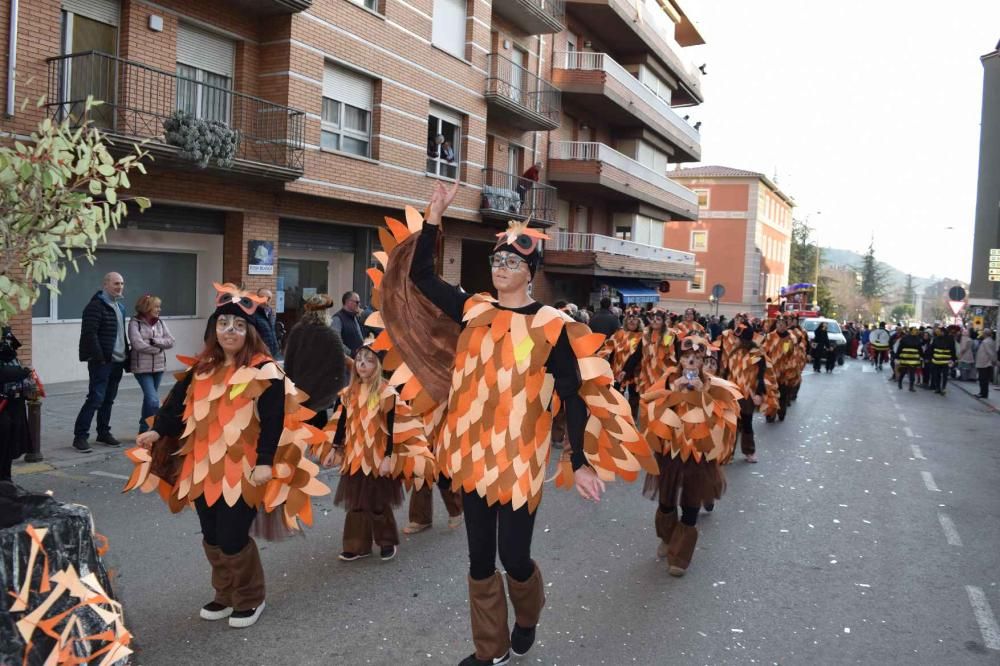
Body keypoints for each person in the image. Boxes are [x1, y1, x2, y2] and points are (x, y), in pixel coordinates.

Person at [379, 182, 656, 665]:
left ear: (531, 272)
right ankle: (491, 649)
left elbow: (572, 396)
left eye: (512, 263)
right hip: (471, 455)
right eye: (497, 261)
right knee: (479, 559)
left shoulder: (553, 326)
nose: (501, 269)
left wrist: (581, 460)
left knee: (514, 558)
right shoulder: (473, 309)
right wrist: (434, 220)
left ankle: (527, 615)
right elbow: (421, 277)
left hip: (520, 459)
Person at [125, 283, 331, 629]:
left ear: (250, 331)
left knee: (233, 535)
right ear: (214, 329)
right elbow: (176, 405)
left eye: (237, 326)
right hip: (202, 466)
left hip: (244, 469)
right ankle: (224, 593)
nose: (229, 331)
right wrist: (157, 429)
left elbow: (273, 420)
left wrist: (265, 461)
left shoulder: (265, 370)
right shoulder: (202, 369)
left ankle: (250, 597)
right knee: (212, 534)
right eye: (223, 324)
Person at [319, 342, 435, 562]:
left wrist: (388, 458)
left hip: (378, 457)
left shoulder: (386, 393)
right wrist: (335, 449)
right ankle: (356, 545)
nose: (362, 364)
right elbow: (342, 422)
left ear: (378, 366)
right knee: (355, 503)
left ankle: (386, 541)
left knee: (378, 502)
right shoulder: (348, 393)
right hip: (355, 457)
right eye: (359, 359)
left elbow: (392, 429)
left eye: (369, 360)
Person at [640, 335, 740, 576]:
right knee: (666, 500)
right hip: (670, 450)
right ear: (680, 358)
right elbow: (648, 406)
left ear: (704, 360)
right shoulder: (668, 379)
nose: (691, 362)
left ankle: (680, 556)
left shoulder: (715, 386)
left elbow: (724, 418)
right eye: (686, 357)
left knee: (691, 504)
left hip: (698, 453)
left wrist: (701, 395)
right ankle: (667, 536)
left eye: (696, 358)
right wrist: (674, 394)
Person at [73, 272, 130, 453]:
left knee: (108, 400)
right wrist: (100, 357)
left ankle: (103, 433)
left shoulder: (120, 307)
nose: (119, 286)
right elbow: (90, 335)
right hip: (102, 362)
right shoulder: (95, 306)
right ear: (105, 284)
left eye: (121, 283)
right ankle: (80, 437)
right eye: (115, 283)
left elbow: (121, 335)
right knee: (95, 398)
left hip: (118, 362)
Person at [282, 294, 347, 428]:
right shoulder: (330, 335)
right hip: (322, 390)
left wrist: (289, 384)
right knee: (318, 430)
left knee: (299, 431)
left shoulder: (297, 330)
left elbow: (289, 361)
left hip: (300, 389)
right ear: (325, 312)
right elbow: (339, 366)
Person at [127, 294, 175, 434]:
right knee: (153, 401)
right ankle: (155, 428)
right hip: (142, 368)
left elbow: (171, 341)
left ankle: (143, 429)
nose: (159, 309)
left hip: (159, 367)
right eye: (156, 306)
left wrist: (155, 341)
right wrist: (158, 348)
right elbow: (137, 344)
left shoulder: (160, 322)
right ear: (147, 307)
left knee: (149, 400)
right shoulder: (135, 323)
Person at [727, 325, 773, 463]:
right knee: (731, 423)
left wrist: (759, 392)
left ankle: (749, 451)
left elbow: (760, 372)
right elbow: (727, 370)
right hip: (732, 391)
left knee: (747, 422)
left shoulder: (754, 352)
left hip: (748, 393)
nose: (735, 340)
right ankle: (728, 452)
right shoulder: (733, 352)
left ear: (744, 339)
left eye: (738, 337)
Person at [0, 327, 36, 481]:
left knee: (10, 443)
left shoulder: (10, 354)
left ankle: (6, 479)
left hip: (14, 402)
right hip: (3, 403)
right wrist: (23, 372)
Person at [600, 312, 644, 419]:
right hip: (617, 371)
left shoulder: (642, 336)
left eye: (634, 319)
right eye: (629, 318)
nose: (632, 321)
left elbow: (642, 354)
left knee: (633, 398)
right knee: (616, 396)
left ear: (639, 322)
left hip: (635, 372)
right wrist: (598, 358)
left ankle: (631, 420)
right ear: (625, 321)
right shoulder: (619, 333)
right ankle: (616, 418)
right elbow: (607, 347)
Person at [762, 318, 797, 421]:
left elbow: (789, 354)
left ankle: (781, 412)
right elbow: (762, 351)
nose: (780, 326)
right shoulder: (770, 337)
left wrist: (789, 368)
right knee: (771, 393)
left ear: (786, 326)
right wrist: (752, 359)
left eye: (783, 324)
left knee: (782, 394)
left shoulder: (789, 338)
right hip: (771, 371)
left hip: (784, 371)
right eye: (778, 324)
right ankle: (770, 414)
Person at [929, 326, 958, 395]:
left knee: (945, 375)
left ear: (943, 332)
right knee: (937, 375)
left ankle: (943, 388)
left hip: (946, 360)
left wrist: (953, 359)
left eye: (940, 331)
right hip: (936, 360)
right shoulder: (935, 339)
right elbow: (932, 348)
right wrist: (931, 357)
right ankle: (938, 388)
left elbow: (953, 350)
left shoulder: (950, 339)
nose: (938, 333)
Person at [252, 289, 280, 357]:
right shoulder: (252, 314)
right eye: (262, 297)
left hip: (273, 352)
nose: (265, 301)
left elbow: (272, 332)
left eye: (268, 298)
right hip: (259, 354)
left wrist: (277, 347)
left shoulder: (271, 313)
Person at [895, 326, 923, 392]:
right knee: (903, 372)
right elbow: (900, 348)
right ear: (910, 331)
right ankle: (900, 382)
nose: (915, 332)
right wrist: (897, 357)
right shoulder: (904, 338)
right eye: (914, 330)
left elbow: (920, 349)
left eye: (916, 330)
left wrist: (922, 356)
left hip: (914, 359)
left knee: (912, 373)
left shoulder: (918, 339)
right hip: (905, 358)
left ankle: (911, 387)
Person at [975, 329, 997, 399]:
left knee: (983, 379)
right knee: (984, 379)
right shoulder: (991, 341)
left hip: (984, 363)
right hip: (986, 363)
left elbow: (990, 353)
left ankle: (983, 393)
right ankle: (983, 393)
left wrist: (994, 361)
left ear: (985, 334)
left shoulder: (986, 342)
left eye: (983, 333)